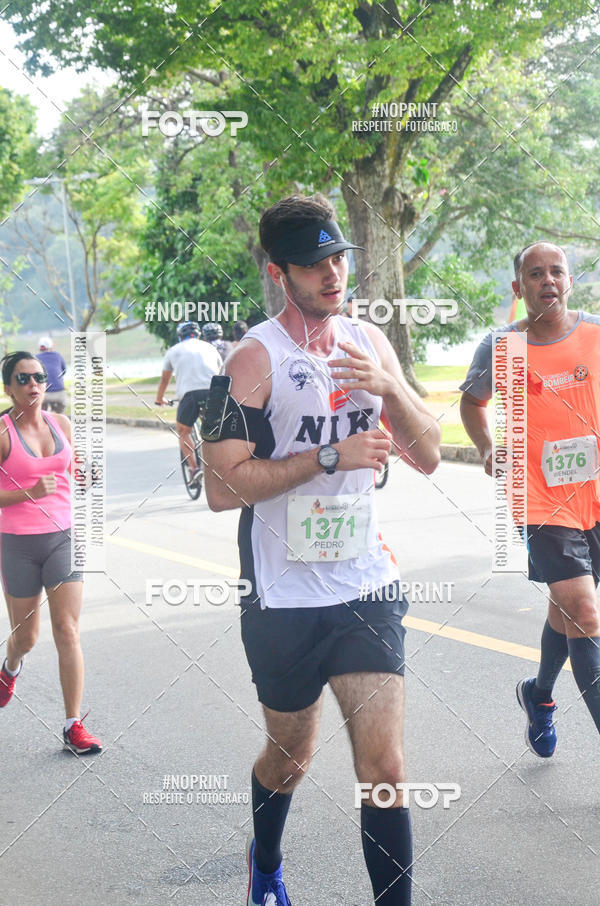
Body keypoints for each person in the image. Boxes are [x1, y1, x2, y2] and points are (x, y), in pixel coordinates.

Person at [203, 193, 441, 905]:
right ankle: (267, 860)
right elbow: (222, 486)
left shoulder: (371, 342)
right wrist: (329, 459)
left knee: (386, 768)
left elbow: (427, 454)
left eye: (338, 257)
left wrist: (390, 385)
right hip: (282, 598)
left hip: (365, 585)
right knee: (290, 756)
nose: (332, 273)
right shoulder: (251, 359)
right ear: (280, 273)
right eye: (313, 264)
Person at [460, 241, 600, 758]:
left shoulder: (595, 334)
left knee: (566, 612)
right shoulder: (501, 347)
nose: (548, 281)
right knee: (585, 612)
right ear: (519, 288)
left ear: (569, 280)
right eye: (535, 274)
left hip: (594, 495)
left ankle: (538, 696)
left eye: (556, 272)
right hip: (538, 500)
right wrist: (486, 447)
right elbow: (473, 401)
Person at [0, 351, 101, 754]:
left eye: (39, 377)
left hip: (62, 538)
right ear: (9, 387)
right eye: (23, 379)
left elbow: (76, 468)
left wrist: (87, 473)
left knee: (67, 629)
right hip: (17, 546)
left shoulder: (62, 424)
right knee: (26, 636)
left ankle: (73, 725)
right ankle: (10, 667)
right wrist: (27, 492)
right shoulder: (4, 432)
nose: (33, 384)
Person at [155, 321, 222, 482]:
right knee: (216, 430)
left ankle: (195, 468)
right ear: (198, 334)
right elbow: (221, 372)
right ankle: (222, 464)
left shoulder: (173, 351)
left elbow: (165, 380)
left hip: (190, 396)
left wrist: (159, 399)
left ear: (179, 337)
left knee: (183, 432)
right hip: (213, 393)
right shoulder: (210, 348)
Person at [37, 336, 68, 414]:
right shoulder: (58, 355)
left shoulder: (36, 358)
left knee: (42, 413)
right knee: (59, 414)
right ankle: (58, 420)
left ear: (40, 347)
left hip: (44, 394)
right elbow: (64, 371)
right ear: (51, 346)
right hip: (60, 393)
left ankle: (45, 420)